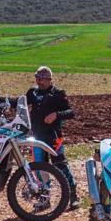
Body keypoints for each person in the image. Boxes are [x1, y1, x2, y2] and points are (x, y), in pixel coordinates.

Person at [24, 65, 77, 207]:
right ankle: (44, 198)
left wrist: (56, 115)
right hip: (36, 137)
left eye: (41, 79)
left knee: (60, 166)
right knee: (39, 168)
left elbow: (71, 112)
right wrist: (3, 101)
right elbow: (20, 103)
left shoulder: (58, 93)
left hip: (54, 137)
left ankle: (73, 195)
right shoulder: (32, 92)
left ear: (49, 79)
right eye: (37, 78)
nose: (38, 81)